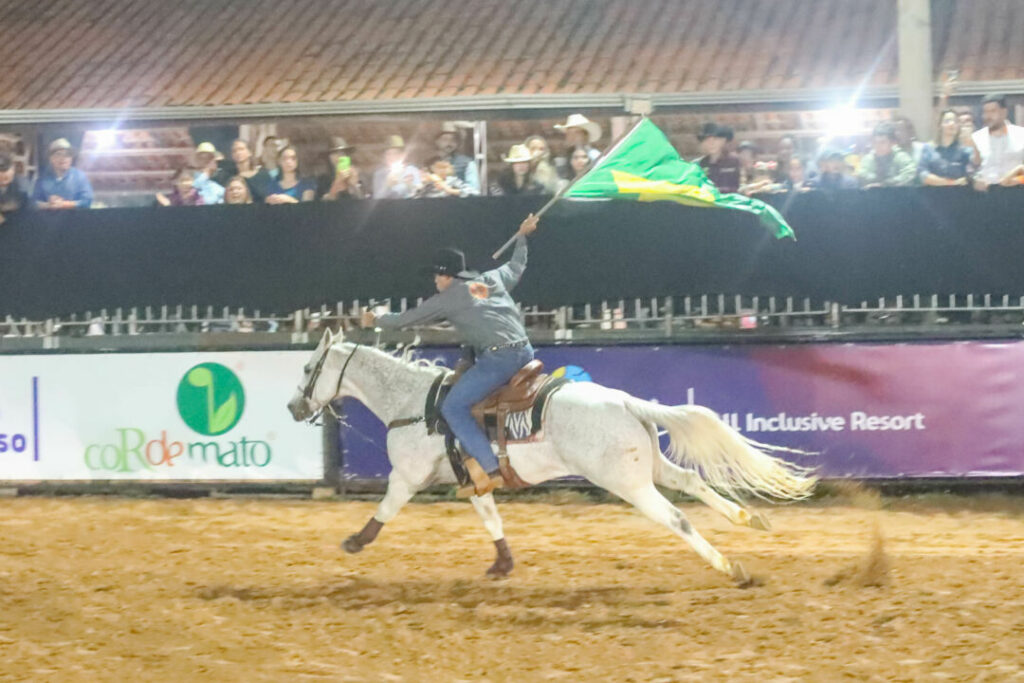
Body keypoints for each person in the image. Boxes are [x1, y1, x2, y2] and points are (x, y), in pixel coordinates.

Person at [361, 213, 540, 496]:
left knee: (453, 407)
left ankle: (491, 469)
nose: (434, 280)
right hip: (524, 350)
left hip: (499, 360)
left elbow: (407, 319)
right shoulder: (488, 281)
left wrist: (376, 319)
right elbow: (517, 265)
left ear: (446, 275)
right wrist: (522, 237)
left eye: (436, 275)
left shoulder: (448, 298)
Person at [971, 94, 1024, 191]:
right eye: (985, 112)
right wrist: (976, 180)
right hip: (987, 193)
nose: (988, 116)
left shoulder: (1021, 135)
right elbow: (972, 169)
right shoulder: (976, 138)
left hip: (1016, 191)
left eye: (992, 111)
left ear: (1004, 112)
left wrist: (1018, 180)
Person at [32, 138, 93, 209]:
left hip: (74, 218)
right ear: (51, 159)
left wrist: (64, 204)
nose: (63, 158)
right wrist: (48, 205)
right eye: (58, 154)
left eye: (67, 155)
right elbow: (34, 202)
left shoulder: (80, 177)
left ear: (71, 158)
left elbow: (87, 201)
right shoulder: (43, 179)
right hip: (50, 218)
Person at [918, 110, 973, 187]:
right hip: (932, 195)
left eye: (955, 121)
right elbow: (923, 175)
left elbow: (974, 168)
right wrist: (951, 183)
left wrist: (971, 142)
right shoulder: (929, 149)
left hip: (958, 195)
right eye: (947, 121)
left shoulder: (964, 150)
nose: (952, 124)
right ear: (940, 125)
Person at [856, 122, 916, 187]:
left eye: (882, 142)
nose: (877, 146)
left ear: (893, 143)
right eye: (875, 142)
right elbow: (862, 174)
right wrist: (876, 180)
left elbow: (910, 173)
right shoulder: (868, 158)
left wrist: (886, 183)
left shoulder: (900, 156)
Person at [435, 122, 480, 193]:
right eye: (445, 140)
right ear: (437, 142)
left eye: (453, 140)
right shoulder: (430, 163)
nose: (449, 143)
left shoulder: (468, 163)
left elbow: (474, 191)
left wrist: (451, 190)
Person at [696, 123, 740, 193]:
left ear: (724, 140)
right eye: (707, 140)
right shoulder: (699, 164)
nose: (711, 143)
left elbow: (742, 185)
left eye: (715, 139)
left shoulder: (736, 161)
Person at [0, 153, 31, 224]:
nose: (3, 174)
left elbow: (29, 206)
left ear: (13, 169)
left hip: (18, 224)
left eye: (5, 170)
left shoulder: (22, 184)